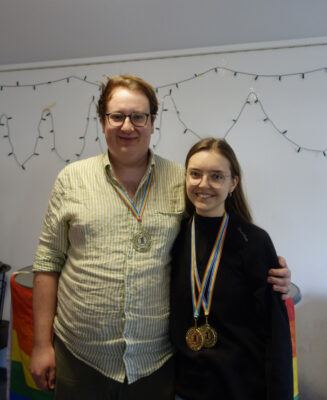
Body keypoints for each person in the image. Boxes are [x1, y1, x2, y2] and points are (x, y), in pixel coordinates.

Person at [30, 75, 291, 400]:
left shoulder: (179, 180)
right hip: (80, 356)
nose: (128, 126)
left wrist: (270, 267)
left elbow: (215, 235)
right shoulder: (71, 179)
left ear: (153, 122)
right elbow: (47, 263)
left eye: (138, 116)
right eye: (117, 116)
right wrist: (41, 344)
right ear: (102, 121)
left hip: (154, 363)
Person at [170, 138, 293, 400]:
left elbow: (276, 333)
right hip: (184, 389)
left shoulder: (254, 242)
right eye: (195, 174)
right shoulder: (173, 237)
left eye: (216, 176)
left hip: (241, 389)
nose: (203, 185)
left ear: (233, 183)